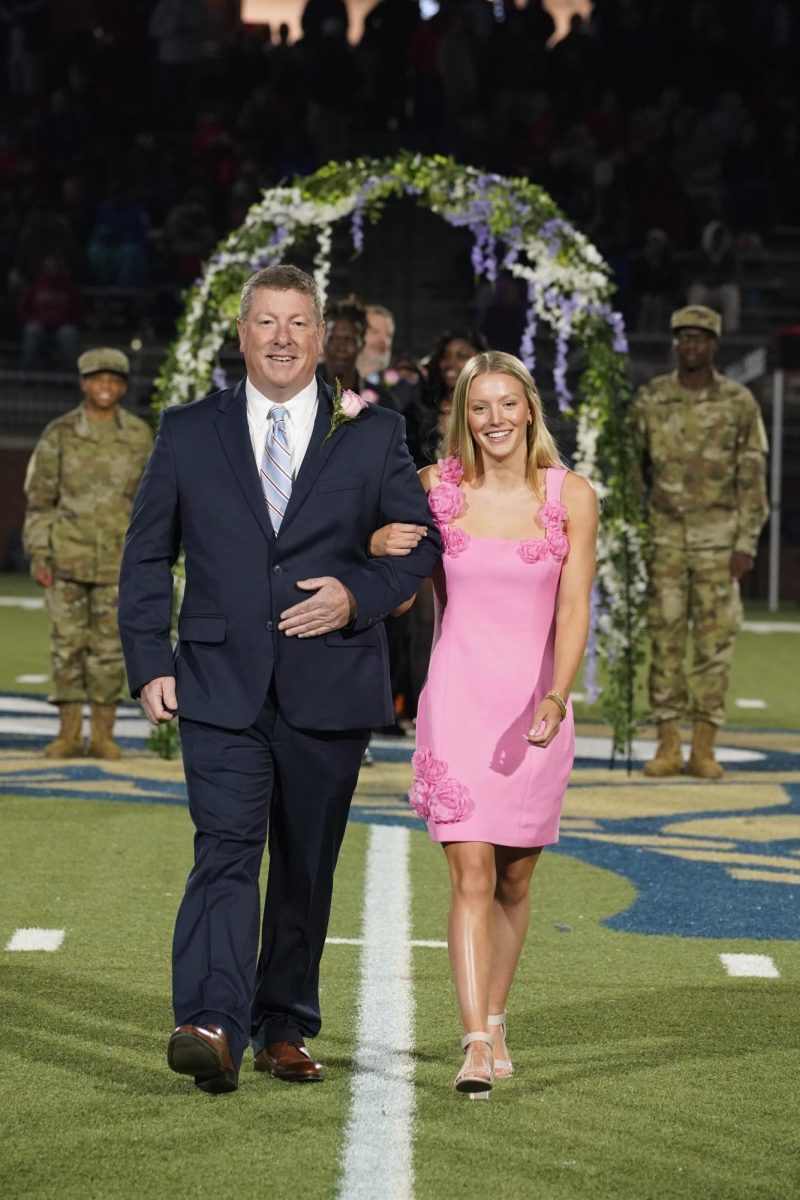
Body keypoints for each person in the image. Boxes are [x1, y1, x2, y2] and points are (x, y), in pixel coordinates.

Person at [117, 264, 440, 1094]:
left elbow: (423, 547)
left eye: (299, 323)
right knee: (225, 853)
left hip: (327, 684)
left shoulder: (373, 433)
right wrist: (150, 660)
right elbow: (148, 552)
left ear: (322, 333)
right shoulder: (189, 430)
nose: (284, 339)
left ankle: (284, 1022)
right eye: (268, 322)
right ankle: (213, 1022)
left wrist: (354, 597)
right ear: (242, 333)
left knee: (304, 862)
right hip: (217, 682)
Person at [377, 350, 597, 1098]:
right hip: (460, 704)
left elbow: (573, 610)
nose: (494, 420)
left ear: (529, 409)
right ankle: (474, 1042)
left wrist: (557, 697)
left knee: (514, 877)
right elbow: (404, 597)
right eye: (480, 407)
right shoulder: (433, 491)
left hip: (536, 706)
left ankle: (497, 1017)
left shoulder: (572, 496)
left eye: (507, 405)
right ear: (462, 414)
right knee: (469, 870)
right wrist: (378, 548)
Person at [632, 305, 769, 779]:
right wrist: (632, 537)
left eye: (699, 338)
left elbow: (753, 477)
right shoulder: (651, 398)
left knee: (714, 644)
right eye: (682, 338)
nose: (690, 345)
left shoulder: (739, 402)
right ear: (674, 345)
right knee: (664, 639)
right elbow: (633, 475)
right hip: (665, 540)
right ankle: (668, 744)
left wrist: (746, 543)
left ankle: (705, 746)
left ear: (714, 345)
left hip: (719, 540)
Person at [23, 348, 153, 758]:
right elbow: (40, 502)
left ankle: (102, 734)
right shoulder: (59, 434)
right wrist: (40, 555)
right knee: (67, 647)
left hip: (118, 562)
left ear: (122, 386)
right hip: (67, 560)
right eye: (98, 379)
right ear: (83, 383)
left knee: (110, 650)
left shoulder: (137, 435)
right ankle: (67, 733)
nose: (106, 387)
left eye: (114, 380)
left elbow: (152, 503)